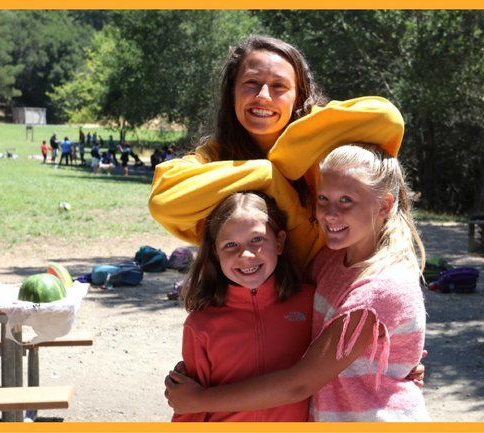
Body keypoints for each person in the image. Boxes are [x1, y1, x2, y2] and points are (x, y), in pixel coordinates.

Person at [149, 35, 425, 390]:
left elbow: (387, 118)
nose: (263, 96)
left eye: (279, 86)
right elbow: (163, 201)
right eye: (250, 84)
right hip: (245, 318)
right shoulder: (213, 157)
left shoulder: (324, 143)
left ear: (300, 95)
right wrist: (266, 176)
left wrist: (282, 158)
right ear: (232, 93)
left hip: (321, 323)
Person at [165, 143, 428, 421]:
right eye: (323, 199)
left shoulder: (381, 288)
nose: (329, 213)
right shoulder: (330, 261)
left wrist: (199, 400)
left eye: (346, 200)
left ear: (384, 205)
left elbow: (299, 384)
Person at [171, 191, 313, 422]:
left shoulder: (310, 302)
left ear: (279, 242)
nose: (245, 254)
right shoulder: (201, 324)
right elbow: (188, 405)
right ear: (215, 253)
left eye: (257, 239)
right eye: (230, 244)